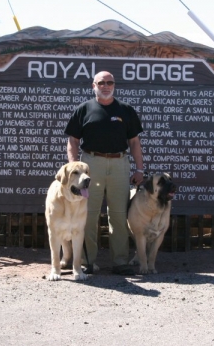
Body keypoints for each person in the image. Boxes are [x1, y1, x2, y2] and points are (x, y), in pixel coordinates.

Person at [64, 71, 144, 275]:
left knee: (118, 215)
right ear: (94, 85)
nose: (106, 86)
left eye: (110, 82)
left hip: (119, 164)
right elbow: (73, 141)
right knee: (88, 214)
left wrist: (139, 168)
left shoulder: (125, 110)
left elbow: (134, 142)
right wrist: (73, 167)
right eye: (102, 82)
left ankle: (120, 262)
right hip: (91, 164)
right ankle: (86, 262)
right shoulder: (84, 109)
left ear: (114, 85)